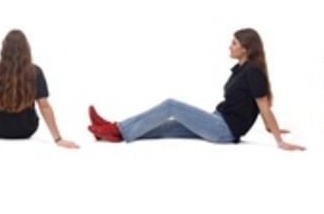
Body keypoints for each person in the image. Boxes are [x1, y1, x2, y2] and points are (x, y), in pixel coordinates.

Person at [85, 28, 305, 151]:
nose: (230, 46)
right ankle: (113, 134)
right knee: (168, 127)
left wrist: (279, 141)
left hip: (224, 130)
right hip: (217, 119)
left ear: (246, 48)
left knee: (171, 105)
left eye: (235, 43)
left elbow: (264, 107)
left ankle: (116, 128)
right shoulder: (240, 70)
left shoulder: (253, 72)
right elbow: (256, 107)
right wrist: (269, 128)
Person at [0, 29, 77, 149]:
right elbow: (44, 106)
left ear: (4, 49)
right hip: (27, 130)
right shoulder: (36, 72)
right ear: (26, 50)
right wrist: (58, 139)